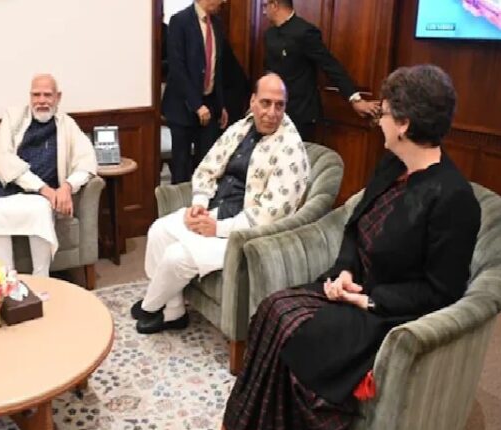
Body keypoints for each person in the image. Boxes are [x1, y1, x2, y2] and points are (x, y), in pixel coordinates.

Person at [222, 64, 480, 430]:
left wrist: (368, 300)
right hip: (353, 289)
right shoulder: (392, 165)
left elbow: (443, 292)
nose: (379, 122)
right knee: (271, 309)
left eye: (383, 113)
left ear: (404, 124)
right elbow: (355, 229)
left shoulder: (454, 199)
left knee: (293, 331)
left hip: (387, 315)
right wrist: (344, 270)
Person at [133, 73, 310, 335]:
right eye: (265, 103)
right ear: (252, 101)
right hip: (216, 211)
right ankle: (174, 311)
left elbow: (269, 215)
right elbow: (208, 167)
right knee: (159, 230)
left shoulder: (290, 149)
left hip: (245, 234)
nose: (272, 113)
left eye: (279, 105)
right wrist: (199, 204)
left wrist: (218, 228)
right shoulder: (241, 128)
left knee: (176, 257)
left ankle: (150, 306)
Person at [0, 74, 97, 277]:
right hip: (3, 189)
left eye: (47, 95)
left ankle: (41, 278)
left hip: (40, 198)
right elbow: (3, 158)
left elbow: (87, 161)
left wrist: (67, 187)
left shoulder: (67, 124)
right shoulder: (13, 117)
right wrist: (43, 188)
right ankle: (5, 281)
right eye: (36, 95)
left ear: (58, 97)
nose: (41, 100)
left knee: (40, 210)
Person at [262, 0, 380, 142]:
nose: (263, 11)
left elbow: (330, 65)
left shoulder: (305, 32)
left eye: (265, 6)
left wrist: (355, 100)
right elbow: (269, 72)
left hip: (301, 114)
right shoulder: (269, 34)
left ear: (275, 5)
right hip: (275, 112)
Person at [162, 0, 229, 184]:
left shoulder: (217, 24)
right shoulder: (180, 21)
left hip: (210, 106)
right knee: (181, 170)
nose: (224, 1)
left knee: (207, 168)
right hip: (182, 107)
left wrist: (221, 105)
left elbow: (217, 68)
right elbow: (177, 68)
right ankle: (180, 203)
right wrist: (197, 105)